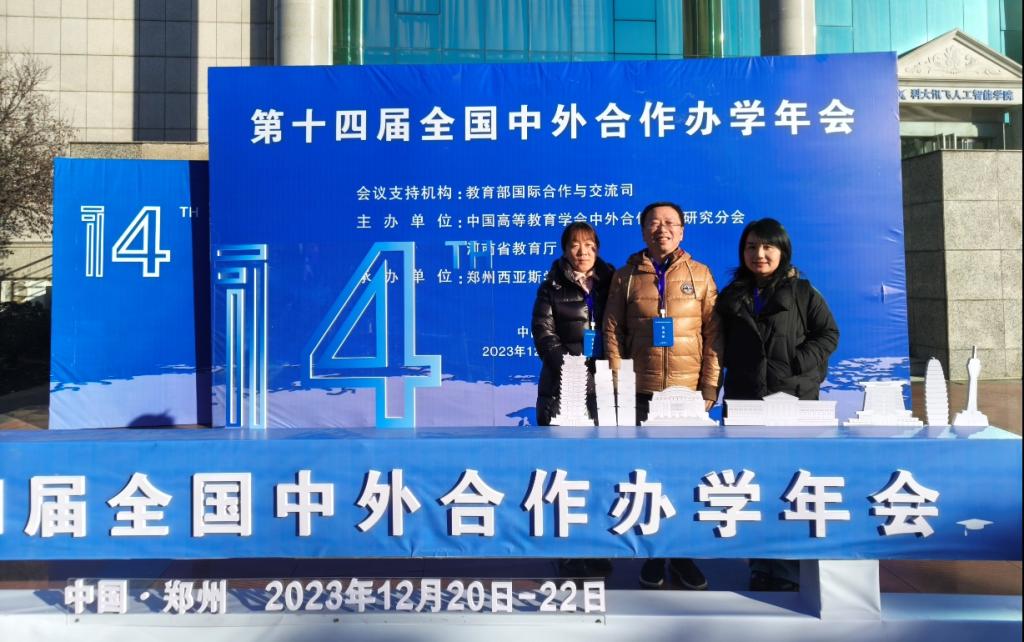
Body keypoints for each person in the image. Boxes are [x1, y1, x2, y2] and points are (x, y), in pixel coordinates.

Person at [716, 217, 839, 591]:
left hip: (792, 402)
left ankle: (787, 568)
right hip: (746, 402)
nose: (759, 254)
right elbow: (719, 343)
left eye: (767, 246)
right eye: (751, 246)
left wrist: (796, 364)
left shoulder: (803, 292)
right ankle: (760, 564)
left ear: (782, 250)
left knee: (788, 483)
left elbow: (828, 334)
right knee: (752, 483)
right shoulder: (732, 295)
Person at [603, 201, 720, 591]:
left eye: (670, 223)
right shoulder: (626, 277)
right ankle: (653, 554)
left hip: (687, 396)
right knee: (648, 477)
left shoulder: (700, 275)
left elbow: (713, 335)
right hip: (642, 393)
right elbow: (612, 332)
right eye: (654, 223)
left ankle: (683, 555)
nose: (662, 229)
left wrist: (709, 387)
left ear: (682, 230)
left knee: (687, 477)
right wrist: (619, 384)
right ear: (642, 231)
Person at [531, 221, 615, 579]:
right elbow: (544, 334)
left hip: (606, 391)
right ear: (565, 250)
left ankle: (597, 547)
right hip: (562, 388)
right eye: (575, 245)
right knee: (565, 473)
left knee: (599, 472)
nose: (583, 252)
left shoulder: (613, 282)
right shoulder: (551, 286)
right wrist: (572, 370)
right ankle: (568, 550)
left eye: (589, 245)